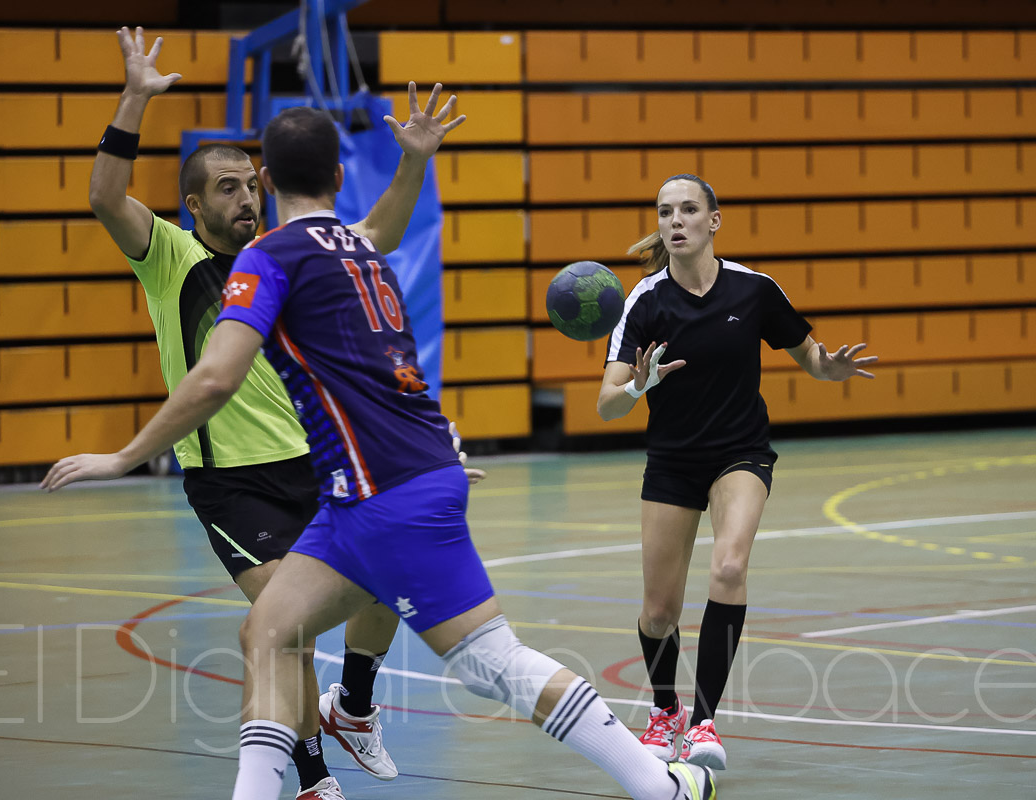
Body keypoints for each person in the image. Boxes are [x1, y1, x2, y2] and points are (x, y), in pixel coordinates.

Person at [43, 106, 715, 800]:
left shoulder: (270, 257)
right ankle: (312, 764)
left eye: (251, 183)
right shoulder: (361, 249)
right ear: (339, 175)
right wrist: (415, 160)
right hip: (365, 487)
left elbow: (215, 376)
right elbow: (382, 303)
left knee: (491, 660)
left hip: (381, 488)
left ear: (267, 180)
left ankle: (659, 787)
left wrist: (123, 457)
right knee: (269, 634)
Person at [86, 28, 473, 798]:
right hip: (234, 483)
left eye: (250, 184)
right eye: (225, 188)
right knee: (284, 625)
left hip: (316, 465)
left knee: (388, 584)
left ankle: (354, 708)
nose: (244, 197)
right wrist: (134, 98)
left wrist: (414, 159)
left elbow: (382, 234)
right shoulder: (170, 257)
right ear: (192, 204)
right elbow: (104, 196)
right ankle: (310, 777)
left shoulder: (289, 255)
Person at [597, 174, 878, 771]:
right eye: (665, 211)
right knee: (658, 612)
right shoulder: (643, 302)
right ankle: (664, 710)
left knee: (729, 566)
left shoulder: (754, 291)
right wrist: (637, 387)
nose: (676, 221)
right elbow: (607, 401)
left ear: (713, 221)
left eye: (688, 210)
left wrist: (834, 369)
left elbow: (812, 360)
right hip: (672, 460)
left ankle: (702, 721)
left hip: (739, 453)